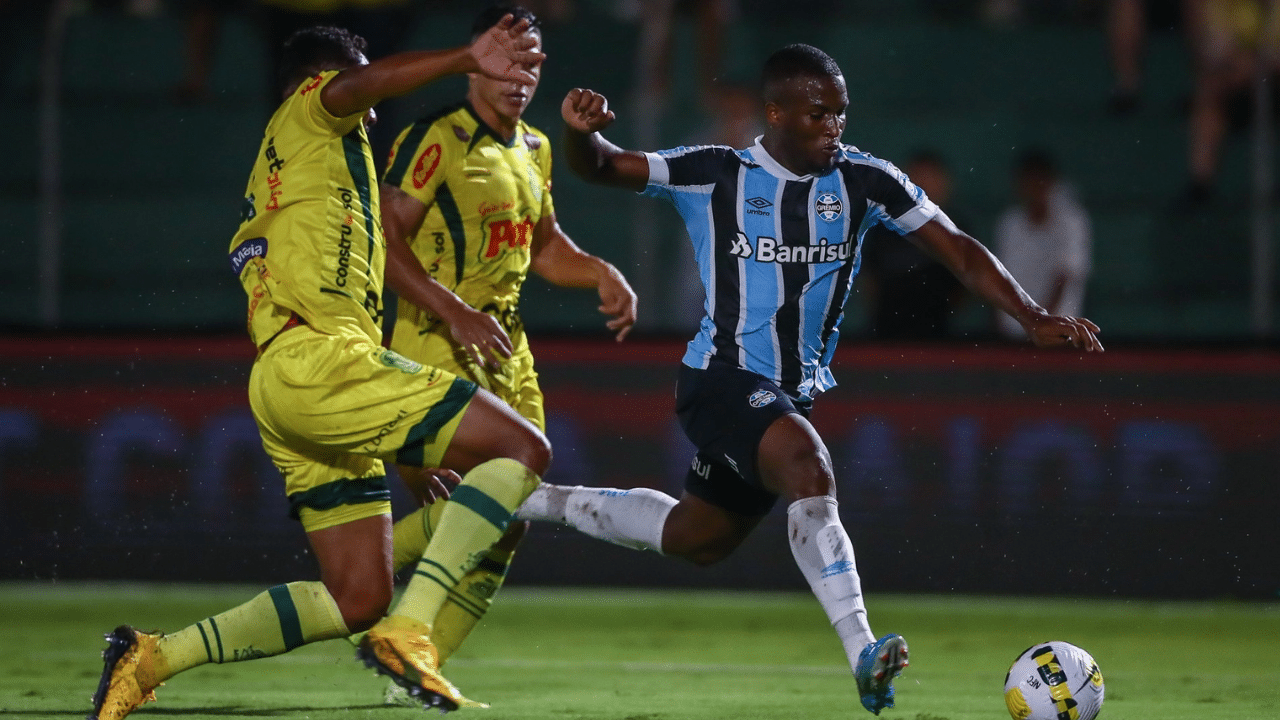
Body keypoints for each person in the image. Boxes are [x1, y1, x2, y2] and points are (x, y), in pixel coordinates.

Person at [558, 44, 1103, 715]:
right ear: (776, 111)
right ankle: (864, 653)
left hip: (788, 392)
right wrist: (580, 134)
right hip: (720, 378)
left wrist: (1031, 313)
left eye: (839, 113)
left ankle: (531, 501)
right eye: (817, 114)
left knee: (696, 539)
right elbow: (605, 166)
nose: (832, 126)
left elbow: (957, 247)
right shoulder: (714, 174)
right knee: (809, 465)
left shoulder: (865, 181)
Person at [88, 18, 550, 719]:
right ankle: (412, 630)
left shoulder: (318, 166)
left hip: (290, 377)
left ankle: (151, 657)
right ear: (319, 83)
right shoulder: (307, 116)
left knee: (356, 595)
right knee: (524, 448)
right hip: (322, 362)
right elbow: (349, 88)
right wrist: (463, 56)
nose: (369, 106)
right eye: (356, 87)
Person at [372, 2, 641, 690]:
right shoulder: (438, 138)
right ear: (476, 62)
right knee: (480, 502)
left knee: (507, 519)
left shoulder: (536, 148)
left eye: (532, 63)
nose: (520, 75)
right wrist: (452, 309)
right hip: (434, 348)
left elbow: (545, 247)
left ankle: (416, 660)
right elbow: (385, 242)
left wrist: (601, 272)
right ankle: (355, 576)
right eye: (508, 60)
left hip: (509, 354)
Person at [858, 149, 967, 340]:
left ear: (944, 183)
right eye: (918, 177)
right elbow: (869, 280)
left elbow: (965, 285)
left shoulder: (956, 230)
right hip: (885, 335)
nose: (924, 184)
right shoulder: (883, 226)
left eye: (930, 177)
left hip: (938, 336)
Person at [992, 148, 1093, 341]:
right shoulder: (1009, 223)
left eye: (1039, 181)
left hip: (1060, 335)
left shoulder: (1072, 223)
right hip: (1011, 335)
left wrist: (1042, 324)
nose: (1033, 189)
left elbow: (1064, 276)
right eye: (1027, 182)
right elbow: (997, 277)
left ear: (1051, 183)